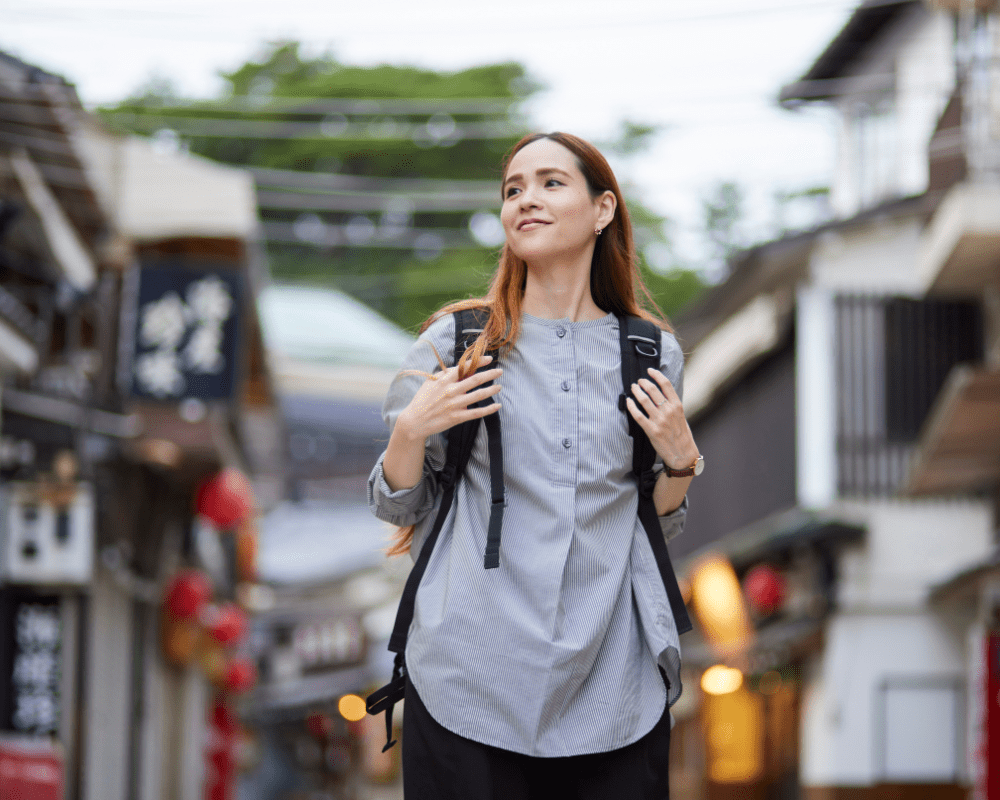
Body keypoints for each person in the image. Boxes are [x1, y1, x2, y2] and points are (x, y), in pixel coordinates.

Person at [367, 131, 702, 799]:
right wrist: (410, 431)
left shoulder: (651, 354)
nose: (526, 200)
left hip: (613, 684)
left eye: (551, 183)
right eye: (513, 190)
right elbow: (399, 505)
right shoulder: (459, 343)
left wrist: (683, 465)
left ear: (603, 209)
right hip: (468, 674)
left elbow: (647, 524)